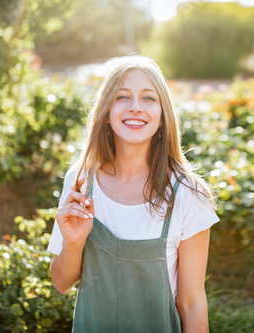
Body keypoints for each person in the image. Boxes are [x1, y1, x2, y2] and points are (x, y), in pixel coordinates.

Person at [47, 55, 219, 332]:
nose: (136, 107)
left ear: (163, 117)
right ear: (106, 112)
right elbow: (61, 283)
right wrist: (74, 242)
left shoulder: (188, 194)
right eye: (122, 97)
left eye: (149, 98)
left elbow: (192, 303)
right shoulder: (80, 181)